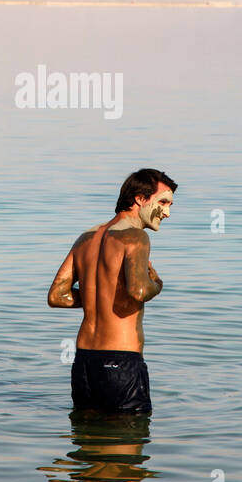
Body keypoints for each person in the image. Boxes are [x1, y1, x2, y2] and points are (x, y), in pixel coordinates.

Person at [47, 168, 176, 413]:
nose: (167, 212)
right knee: (127, 444)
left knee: (86, 445)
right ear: (140, 198)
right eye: (163, 202)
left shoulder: (86, 237)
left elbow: (57, 296)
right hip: (121, 362)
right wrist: (157, 285)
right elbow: (139, 290)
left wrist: (101, 294)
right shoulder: (136, 237)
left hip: (84, 362)